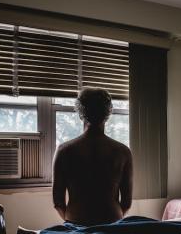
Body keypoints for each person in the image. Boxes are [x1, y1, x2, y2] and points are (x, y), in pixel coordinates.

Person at [52, 87, 133, 226]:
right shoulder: (123, 152)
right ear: (108, 114)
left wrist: (75, 223)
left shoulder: (64, 151)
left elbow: (58, 203)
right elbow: (126, 203)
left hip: (76, 224)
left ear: (80, 114)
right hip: (112, 224)